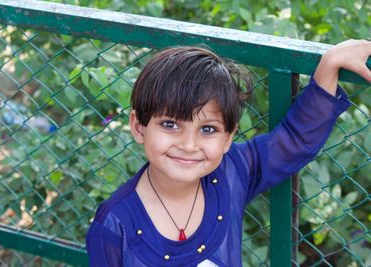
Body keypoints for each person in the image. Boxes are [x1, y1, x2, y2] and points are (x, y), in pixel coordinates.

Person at [86, 39, 371, 266]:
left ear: (228, 137)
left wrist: (329, 66)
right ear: (138, 127)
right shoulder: (113, 226)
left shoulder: (232, 171)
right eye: (170, 124)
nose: (188, 144)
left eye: (207, 129)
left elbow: (293, 142)